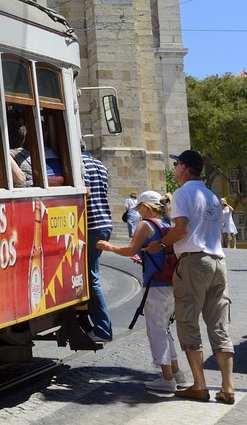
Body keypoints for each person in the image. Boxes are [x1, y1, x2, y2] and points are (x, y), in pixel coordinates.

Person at [158, 150, 235, 404]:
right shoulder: (212, 196)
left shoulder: (182, 193)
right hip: (218, 262)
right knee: (219, 325)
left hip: (193, 263)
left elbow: (181, 230)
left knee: (188, 321)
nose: (175, 168)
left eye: (177, 163)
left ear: (185, 167)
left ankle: (200, 385)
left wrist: (161, 243)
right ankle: (227, 388)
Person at [98, 191, 188, 395]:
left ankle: (166, 379)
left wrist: (109, 247)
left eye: (139, 208)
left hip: (155, 285)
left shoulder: (145, 225)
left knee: (156, 330)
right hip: (170, 283)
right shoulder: (165, 225)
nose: (138, 212)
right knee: (164, 329)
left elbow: (130, 249)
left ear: (146, 207)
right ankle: (177, 374)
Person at [79, 147, 113, 343]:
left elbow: (87, 193)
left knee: (92, 277)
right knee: (92, 274)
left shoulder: (81, 165)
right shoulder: (100, 165)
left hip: (91, 226)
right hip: (104, 223)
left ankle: (102, 328)